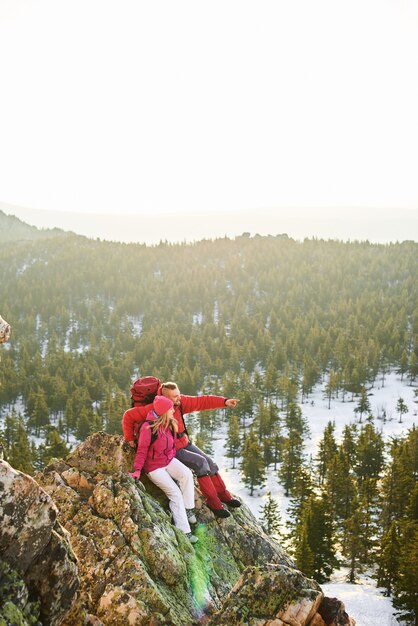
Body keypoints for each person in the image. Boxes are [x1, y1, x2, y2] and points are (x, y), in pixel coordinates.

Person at [123, 381, 241, 518]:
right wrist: (129, 438)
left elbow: (202, 401)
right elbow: (129, 416)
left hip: (184, 442)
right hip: (172, 449)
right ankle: (213, 503)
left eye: (179, 394)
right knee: (201, 463)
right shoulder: (154, 408)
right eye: (175, 396)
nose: (179, 398)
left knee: (211, 463)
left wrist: (224, 402)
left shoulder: (180, 402)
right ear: (165, 399)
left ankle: (224, 495)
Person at [128, 395, 198, 544]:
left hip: (168, 460)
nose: (173, 410)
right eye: (170, 408)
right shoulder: (148, 428)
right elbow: (142, 451)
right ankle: (184, 531)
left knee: (186, 474)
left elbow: (172, 445)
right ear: (163, 411)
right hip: (154, 468)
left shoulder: (170, 424)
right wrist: (137, 470)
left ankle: (188, 509)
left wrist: (171, 457)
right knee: (175, 494)